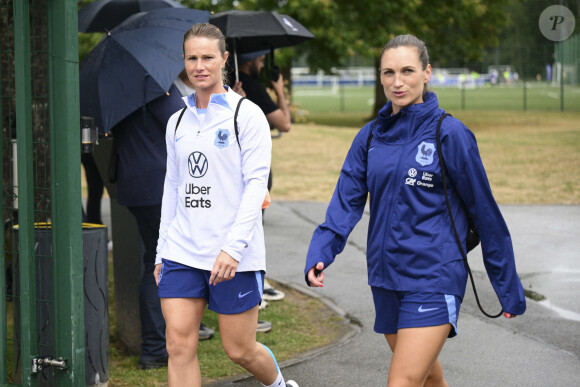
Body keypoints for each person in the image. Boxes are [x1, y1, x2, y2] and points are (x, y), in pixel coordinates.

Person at [304, 34, 526, 386]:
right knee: (427, 379)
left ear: (427, 73)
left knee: (403, 380)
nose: (397, 81)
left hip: (433, 276)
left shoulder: (450, 134)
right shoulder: (369, 137)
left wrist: (507, 285)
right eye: (388, 72)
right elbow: (346, 201)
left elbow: (485, 213)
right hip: (385, 276)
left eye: (407, 70)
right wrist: (321, 252)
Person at [154, 23, 298, 387]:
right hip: (182, 250)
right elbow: (173, 186)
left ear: (224, 59)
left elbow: (256, 187)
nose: (199, 66)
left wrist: (232, 249)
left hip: (233, 254)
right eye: (192, 58)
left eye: (207, 57)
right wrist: (161, 250)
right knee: (178, 345)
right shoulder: (177, 121)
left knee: (239, 350)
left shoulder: (245, 115)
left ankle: (279, 384)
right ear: (183, 61)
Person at [233, 50, 290, 303]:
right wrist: (279, 89)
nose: (262, 65)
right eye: (260, 60)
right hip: (253, 168)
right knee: (252, 229)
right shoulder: (253, 88)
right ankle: (253, 287)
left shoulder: (237, 87)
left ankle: (253, 285)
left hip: (239, 168)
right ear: (248, 60)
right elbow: (285, 123)